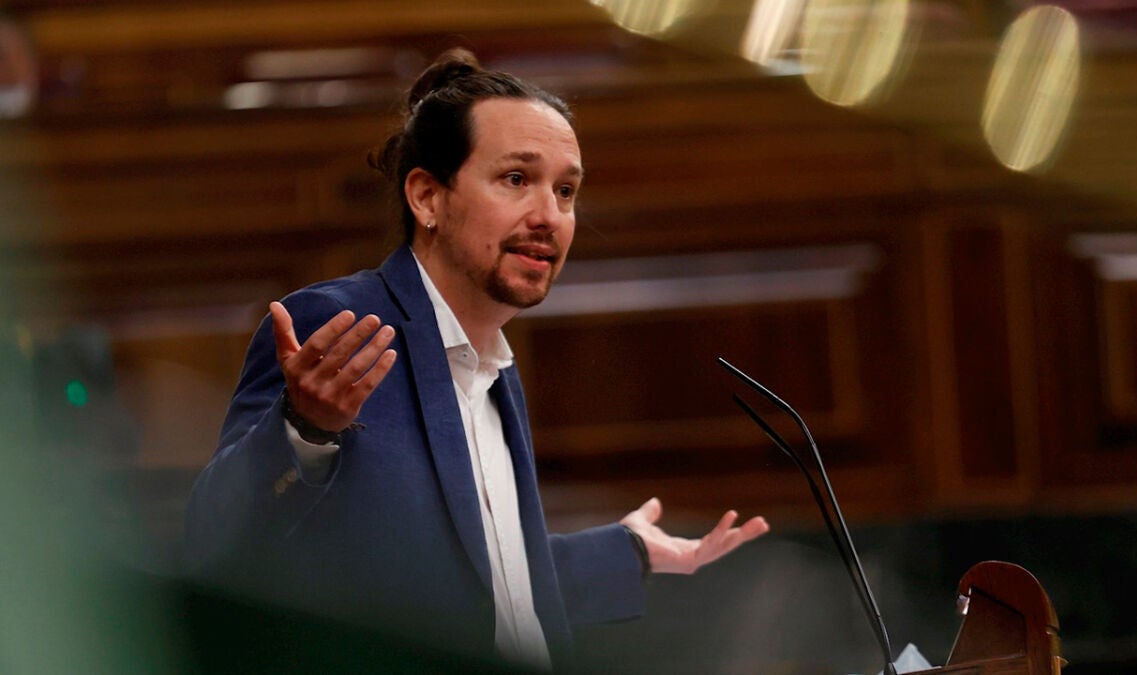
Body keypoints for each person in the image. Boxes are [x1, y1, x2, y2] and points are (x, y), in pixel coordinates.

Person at [184, 48, 768, 672]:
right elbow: (213, 547)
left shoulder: (493, 368)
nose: (549, 217)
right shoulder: (341, 328)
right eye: (516, 179)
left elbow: (472, 578)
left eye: (565, 190)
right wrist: (302, 430)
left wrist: (626, 551)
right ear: (426, 198)